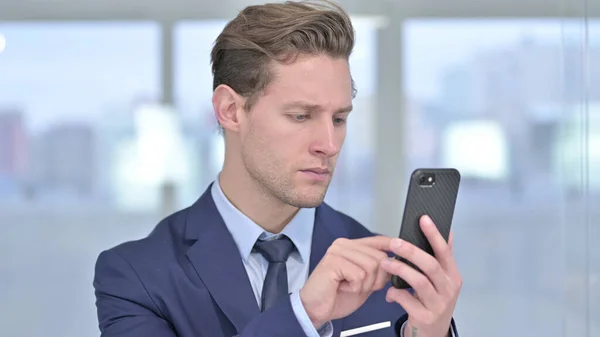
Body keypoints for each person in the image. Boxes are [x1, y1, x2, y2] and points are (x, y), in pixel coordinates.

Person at [92, 1, 463, 336]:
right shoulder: (135, 277)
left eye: (338, 118)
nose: (329, 145)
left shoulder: (387, 274)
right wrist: (303, 314)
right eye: (301, 116)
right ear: (230, 110)